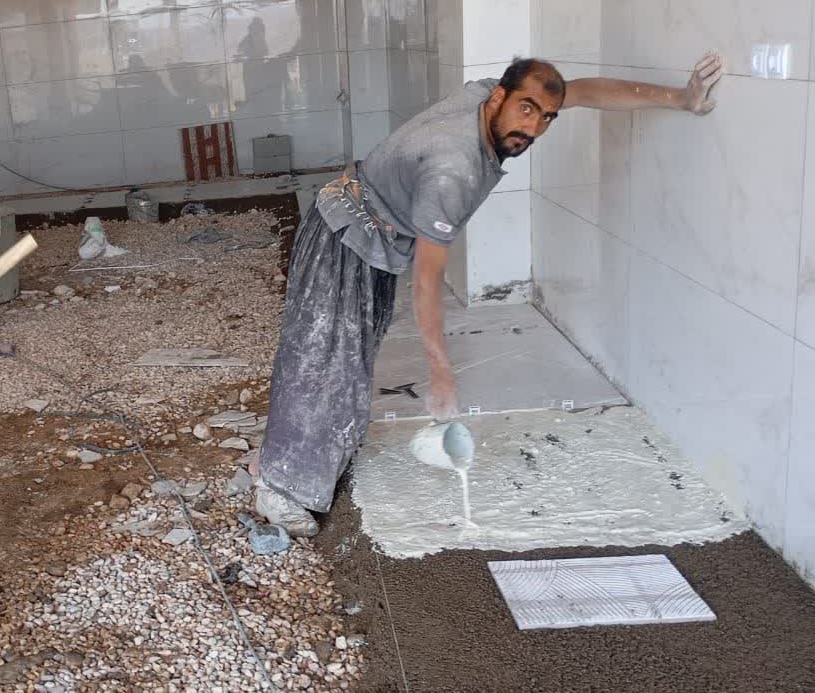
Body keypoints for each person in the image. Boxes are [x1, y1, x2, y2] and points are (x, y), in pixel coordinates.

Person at [254, 53, 726, 536]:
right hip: (344, 234)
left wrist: (681, 99)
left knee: (348, 361)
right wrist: (441, 372)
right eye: (527, 110)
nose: (534, 128)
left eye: (546, 117)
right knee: (322, 361)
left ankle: (313, 458)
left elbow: (584, 90)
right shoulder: (453, 169)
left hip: (371, 226)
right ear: (500, 98)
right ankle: (281, 489)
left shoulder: (490, 95)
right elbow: (427, 280)